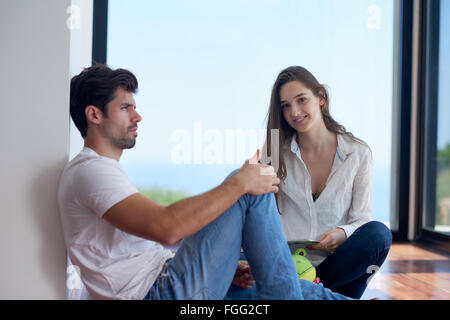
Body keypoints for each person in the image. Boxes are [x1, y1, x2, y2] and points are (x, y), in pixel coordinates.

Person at [58, 64, 353, 300]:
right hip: (160, 292)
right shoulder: (90, 172)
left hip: (168, 277)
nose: (138, 116)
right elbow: (167, 229)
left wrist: (221, 261)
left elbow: (150, 244)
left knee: (270, 283)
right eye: (125, 108)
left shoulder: (101, 170)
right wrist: (239, 183)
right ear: (94, 114)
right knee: (250, 189)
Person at [261, 66, 392, 299]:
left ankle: (308, 293)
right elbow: (261, 216)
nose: (295, 112)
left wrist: (343, 232)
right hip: (291, 265)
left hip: (337, 265)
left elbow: (361, 219)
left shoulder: (358, 153)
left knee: (379, 234)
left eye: (301, 100)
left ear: (320, 97)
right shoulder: (273, 152)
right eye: (285, 106)